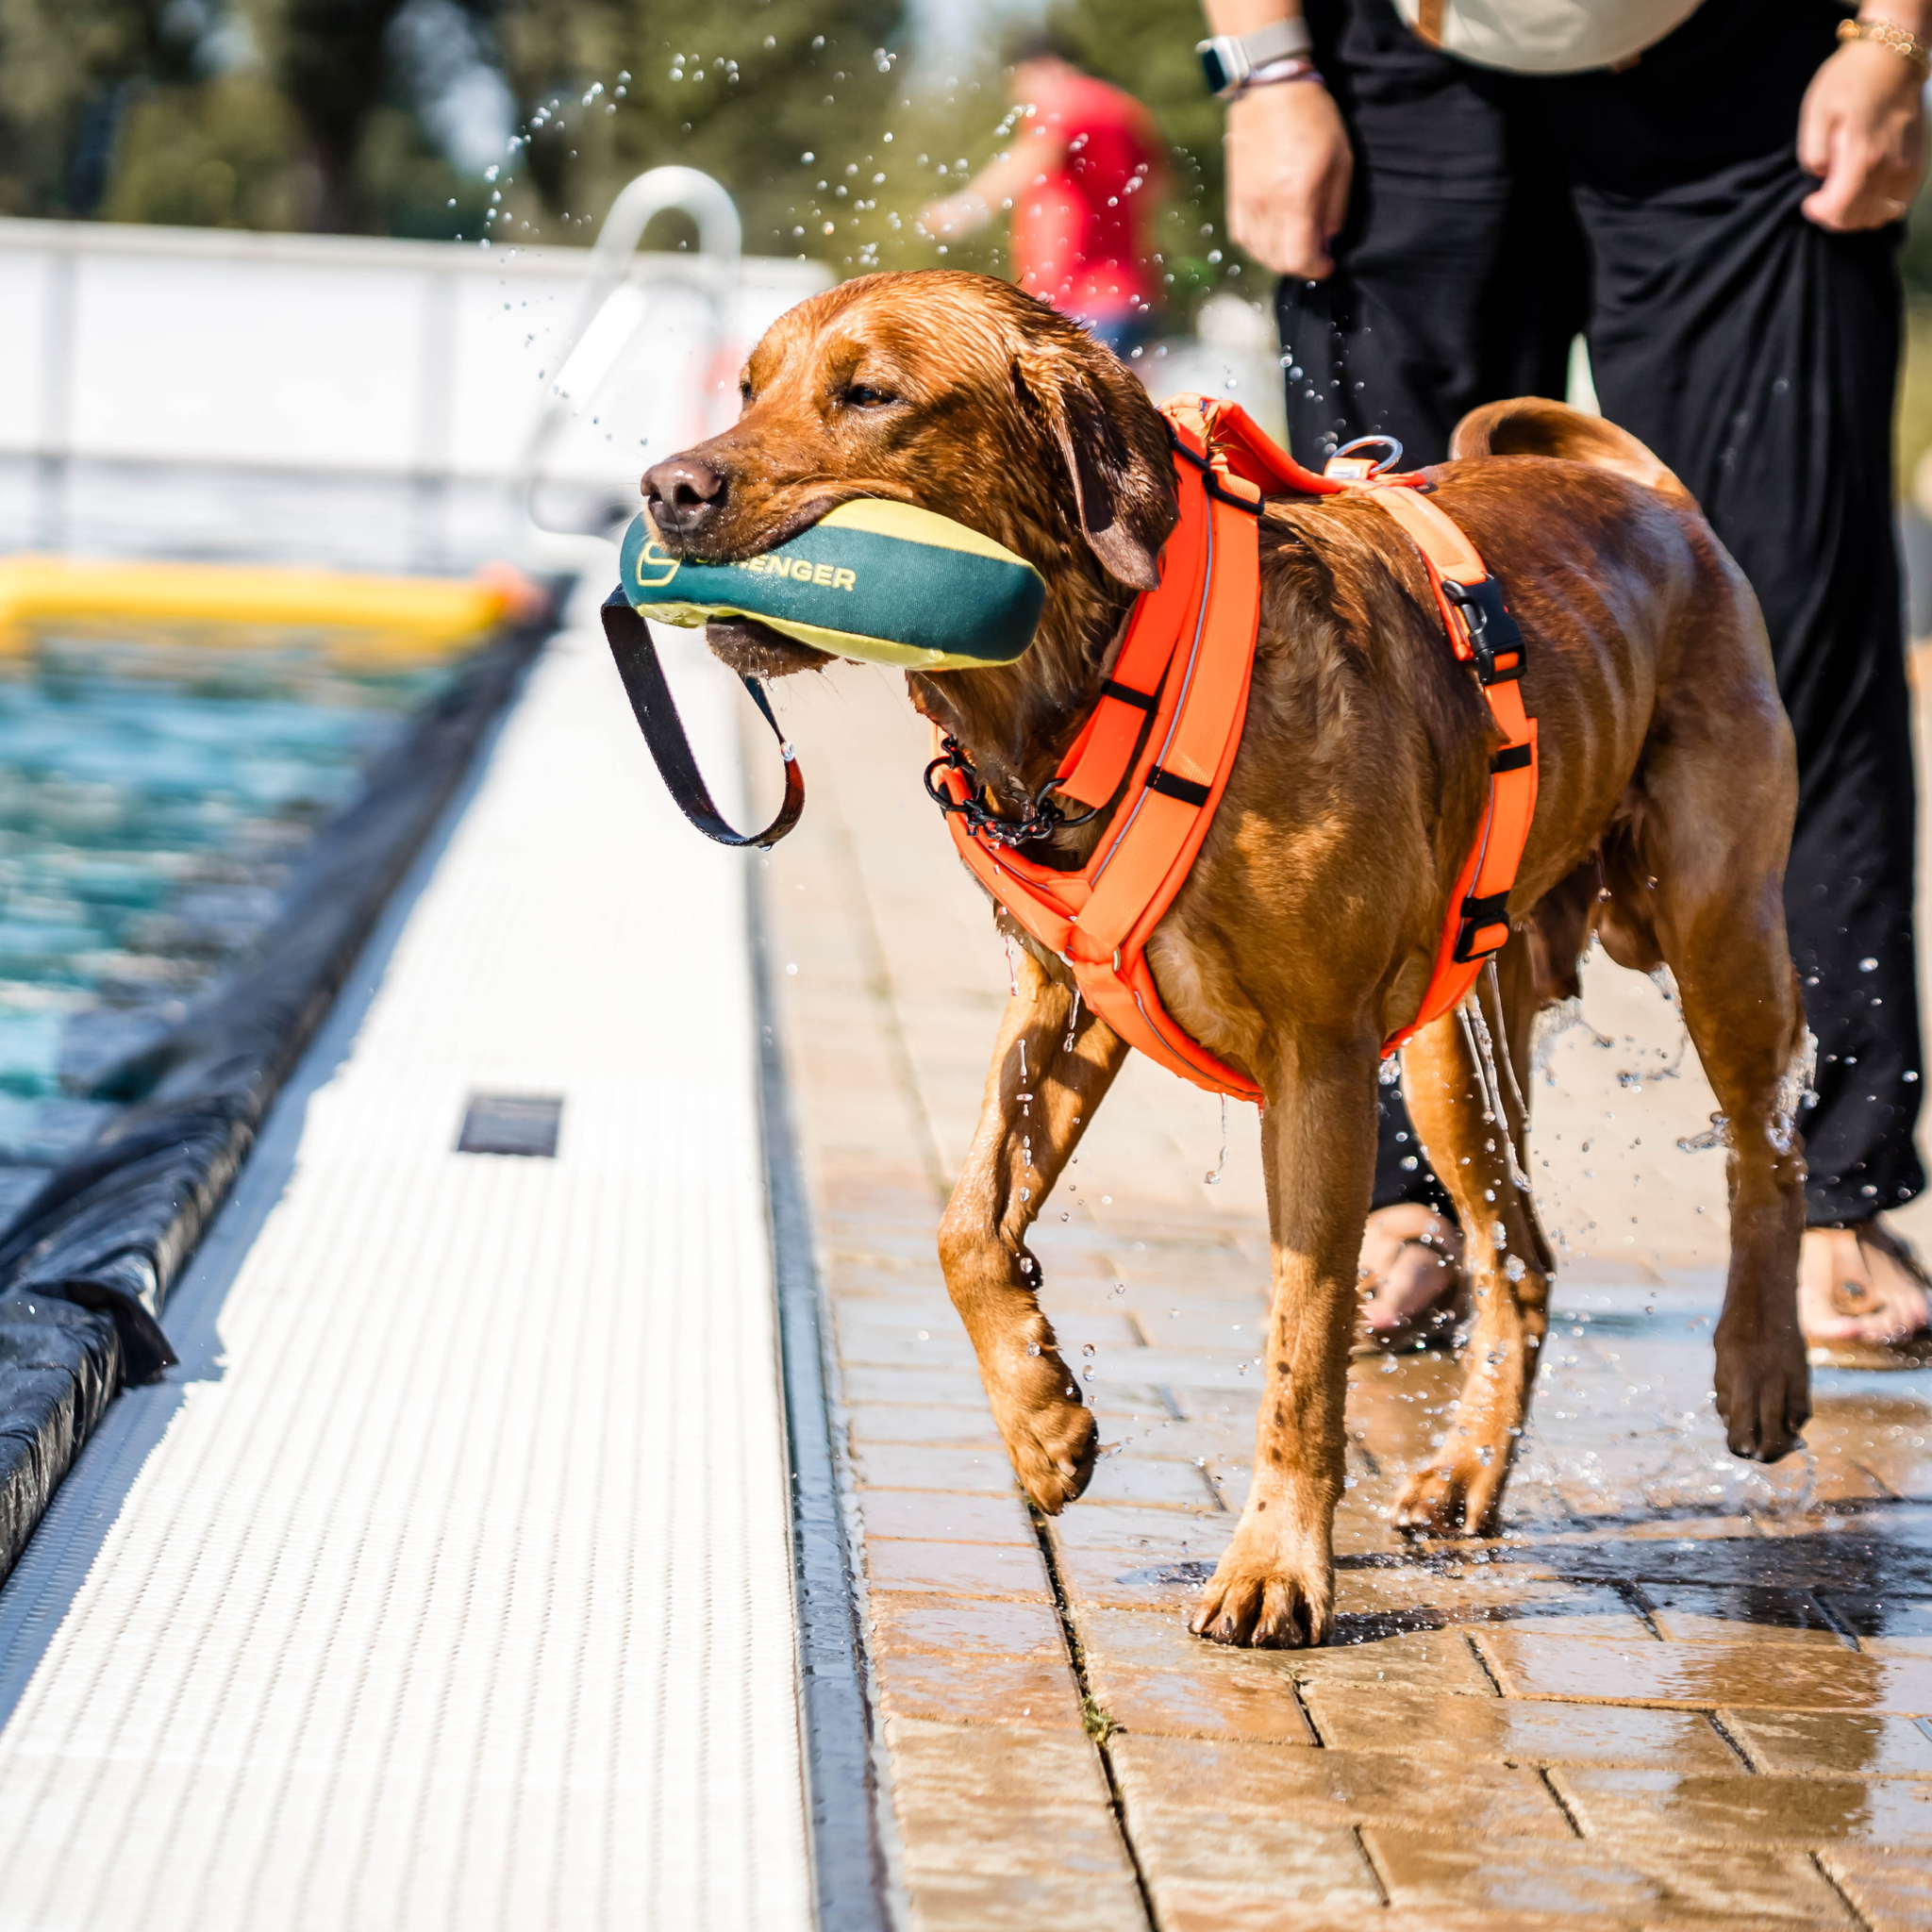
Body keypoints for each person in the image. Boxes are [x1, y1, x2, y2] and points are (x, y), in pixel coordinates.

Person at [1196, 0, 1932, 1362]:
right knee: (1379, 639)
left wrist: (1889, 40)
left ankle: (1833, 1181)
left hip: (1743, 69)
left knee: (1790, 625)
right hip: (1398, 73)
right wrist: (1266, 69)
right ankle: (1410, 1191)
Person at [922, 33, 1165, 356]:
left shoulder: (1062, 98)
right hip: (1128, 294)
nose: (1017, 98)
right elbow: (1157, 184)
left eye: (1018, 83)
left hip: (1078, 299)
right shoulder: (1125, 109)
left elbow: (1037, 151)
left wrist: (967, 207)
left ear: (1045, 67)